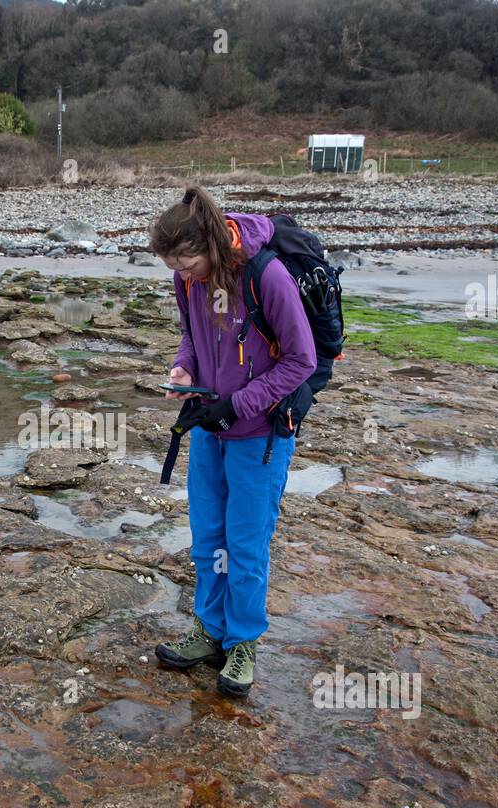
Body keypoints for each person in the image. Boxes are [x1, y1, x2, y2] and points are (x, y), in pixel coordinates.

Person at [150, 186, 316, 697]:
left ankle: (242, 642)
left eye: (188, 264)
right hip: (208, 429)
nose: (183, 276)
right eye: (174, 267)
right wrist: (185, 367)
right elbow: (192, 334)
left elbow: (301, 361)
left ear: (214, 247)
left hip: (259, 435)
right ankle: (210, 631)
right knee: (208, 540)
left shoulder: (268, 276)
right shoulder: (189, 283)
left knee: (245, 545)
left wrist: (240, 404)